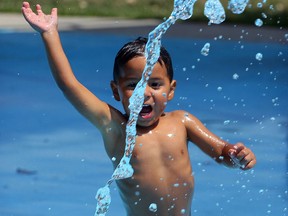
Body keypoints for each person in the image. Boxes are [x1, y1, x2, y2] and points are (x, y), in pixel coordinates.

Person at [22, 2, 256, 216]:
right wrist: (49, 34)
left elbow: (220, 151)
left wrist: (236, 156)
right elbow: (69, 85)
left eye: (154, 84)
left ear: (171, 90)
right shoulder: (117, 129)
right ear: (116, 92)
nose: (144, 93)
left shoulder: (182, 122)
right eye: (133, 85)